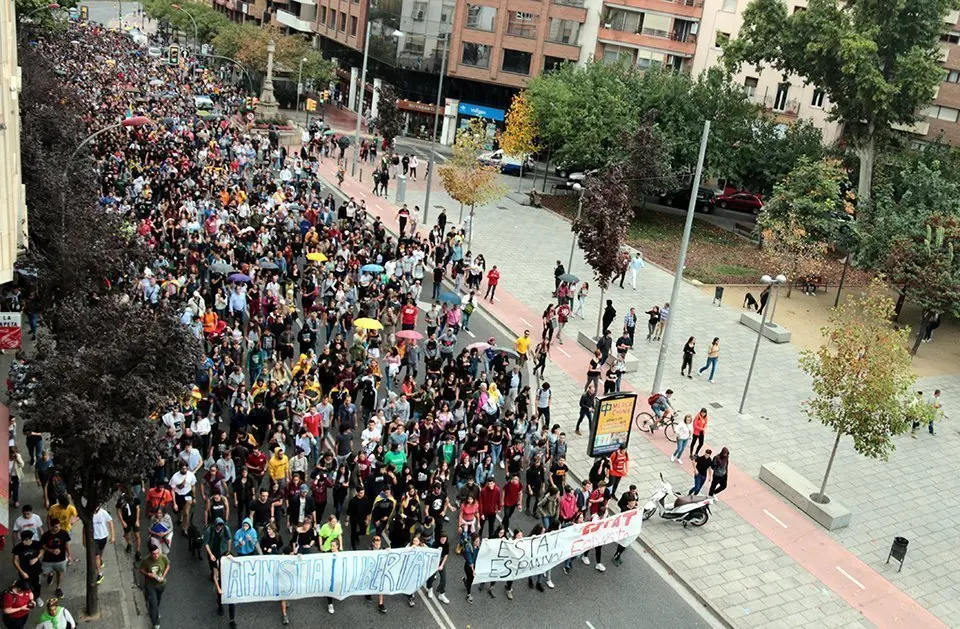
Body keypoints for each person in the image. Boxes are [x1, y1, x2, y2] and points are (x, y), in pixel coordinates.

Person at [138, 542, 170, 629]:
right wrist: (148, 574)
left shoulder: (163, 557)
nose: (156, 555)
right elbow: (141, 570)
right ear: (150, 554)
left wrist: (163, 576)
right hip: (150, 585)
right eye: (154, 554)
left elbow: (168, 565)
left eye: (157, 553)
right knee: (153, 604)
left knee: (158, 599)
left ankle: (155, 612)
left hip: (161, 584)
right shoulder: (146, 560)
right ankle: (155, 623)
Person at [39, 519, 71, 599]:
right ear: (51, 527)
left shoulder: (63, 533)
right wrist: (51, 550)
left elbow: (67, 544)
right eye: (56, 527)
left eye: (59, 526)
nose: (58, 528)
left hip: (61, 559)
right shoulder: (46, 535)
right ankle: (50, 574)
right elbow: (42, 546)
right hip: (48, 559)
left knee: (59, 573)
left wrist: (69, 555)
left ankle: (58, 588)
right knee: (45, 573)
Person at [86, 505, 114, 585]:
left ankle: (100, 561)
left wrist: (113, 536)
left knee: (100, 552)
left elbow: (110, 522)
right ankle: (99, 573)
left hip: (103, 536)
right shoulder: (89, 515)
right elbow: (85, 528)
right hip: (94, 538)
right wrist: (84, 539)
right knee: (96, 556)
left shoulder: (103, 512)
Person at [425, 530, 451, 604]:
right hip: (434, 562)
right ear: (439, 538)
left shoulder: (447, 544)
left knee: (444, 579)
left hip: (441, 561)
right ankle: (429, 588)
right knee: (431, 577)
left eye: (445, 539)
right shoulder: (435, 544)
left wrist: (442, 565)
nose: (443, 540)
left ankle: (441, 593)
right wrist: (437, 551)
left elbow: (446, 555)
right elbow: (431, 555)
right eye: (442, 539)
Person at [116, 490, 142, 561]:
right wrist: (122, 522)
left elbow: (137, 508)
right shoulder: (122, 499)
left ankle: (137, 551)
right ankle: (129, 544)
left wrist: (137, 520)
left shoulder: (134, 497)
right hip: (126, 520)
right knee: (126, 533)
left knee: (137, 535)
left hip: (134, 519)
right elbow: (118, 510)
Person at [462, 533, 480, 603]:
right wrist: (473, 570)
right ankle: (468, 595)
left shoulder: (478, 546)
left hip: (474, 565)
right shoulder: (468, 548)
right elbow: (470, 560)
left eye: (478, 541)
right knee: (471, 580)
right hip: (469, 567)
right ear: (473, 541)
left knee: (471, 580)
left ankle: (466, 582)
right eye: (476, 541)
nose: (478, 543)